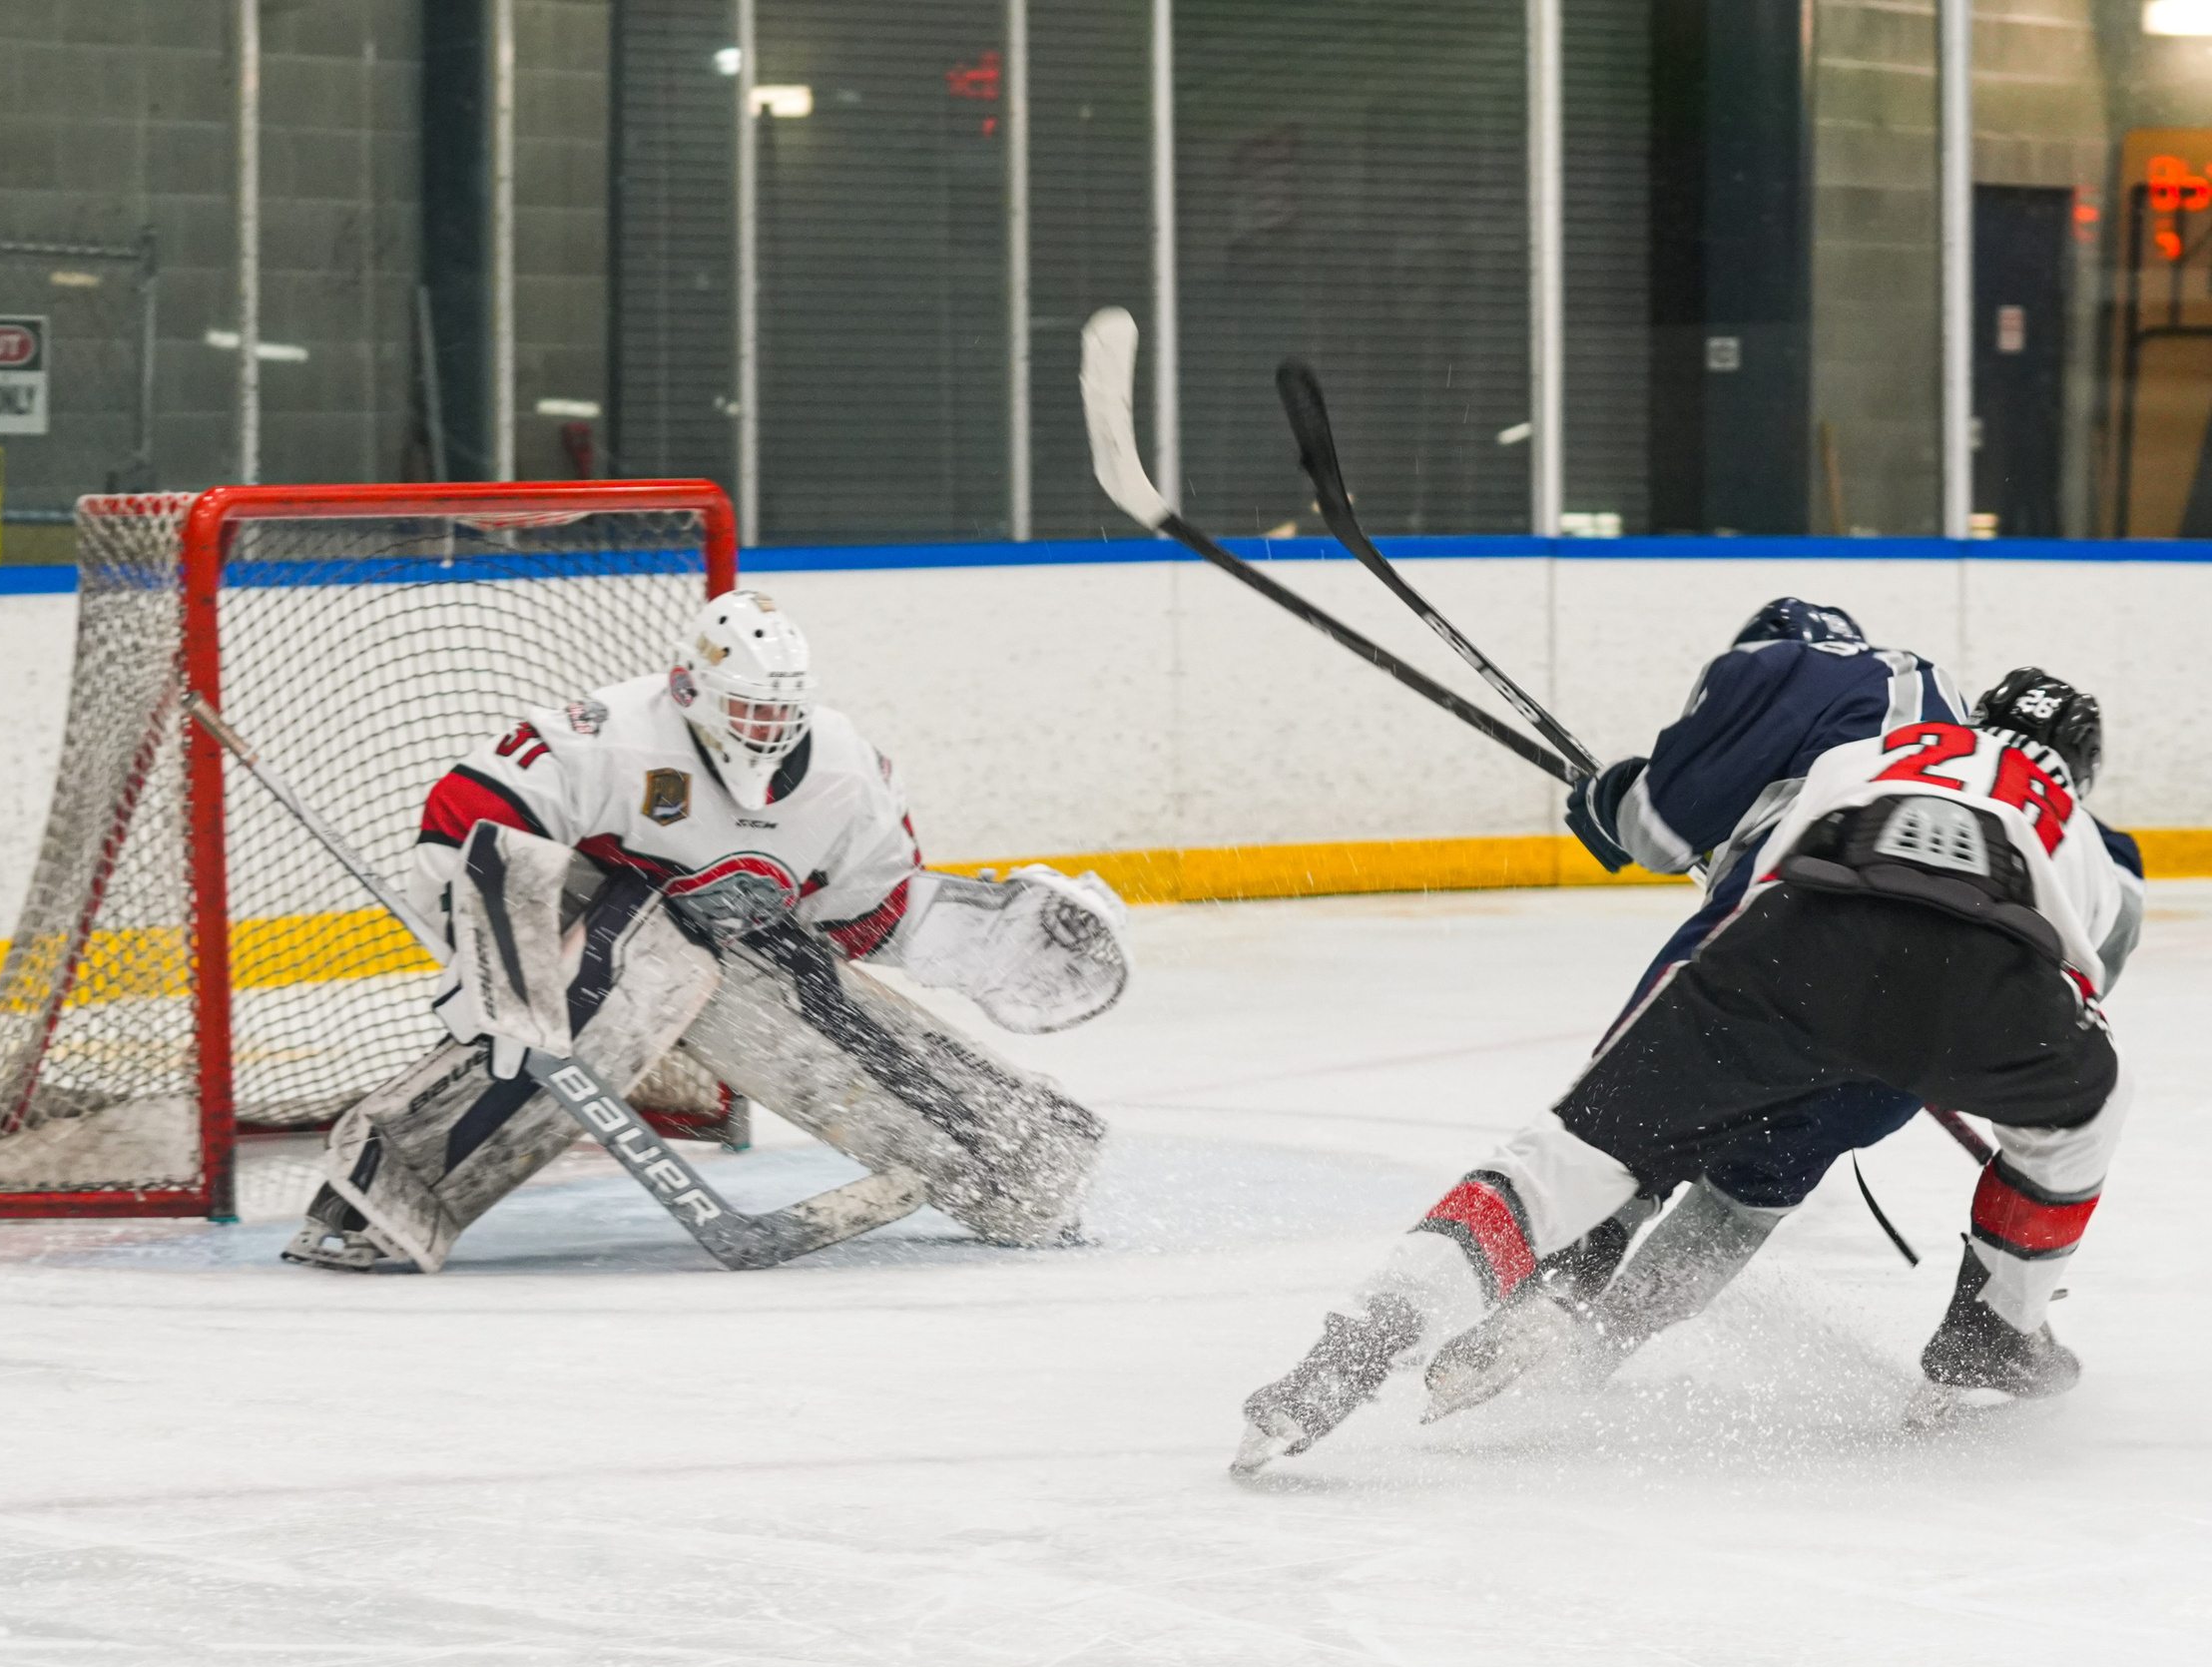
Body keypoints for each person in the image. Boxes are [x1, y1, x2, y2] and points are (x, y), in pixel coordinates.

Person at [1235, 662, 2142, 1472]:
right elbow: (2090, 973)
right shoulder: (2088, 836)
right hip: (1981, 994)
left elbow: (1760, 880)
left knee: (1564, 1158)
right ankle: (1994, 1329)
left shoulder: (1882, 748)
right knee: (2082, 1118)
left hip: (1788, 953)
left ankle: (1357, 1343)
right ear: (2082, 766)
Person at [285, 588, 1133, 1272]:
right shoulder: (610, 734)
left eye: (779, 712)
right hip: (592, 939)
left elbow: (863, 912)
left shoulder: (848, 771)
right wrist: (500, 968)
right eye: (746, 710)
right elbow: (472, 816)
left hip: (740, 952)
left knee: (823, 1012)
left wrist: (987, 936)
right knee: (635, 972)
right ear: (688, 690)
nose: (766, 731)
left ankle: (1019, 1170)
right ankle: (379, 1197)